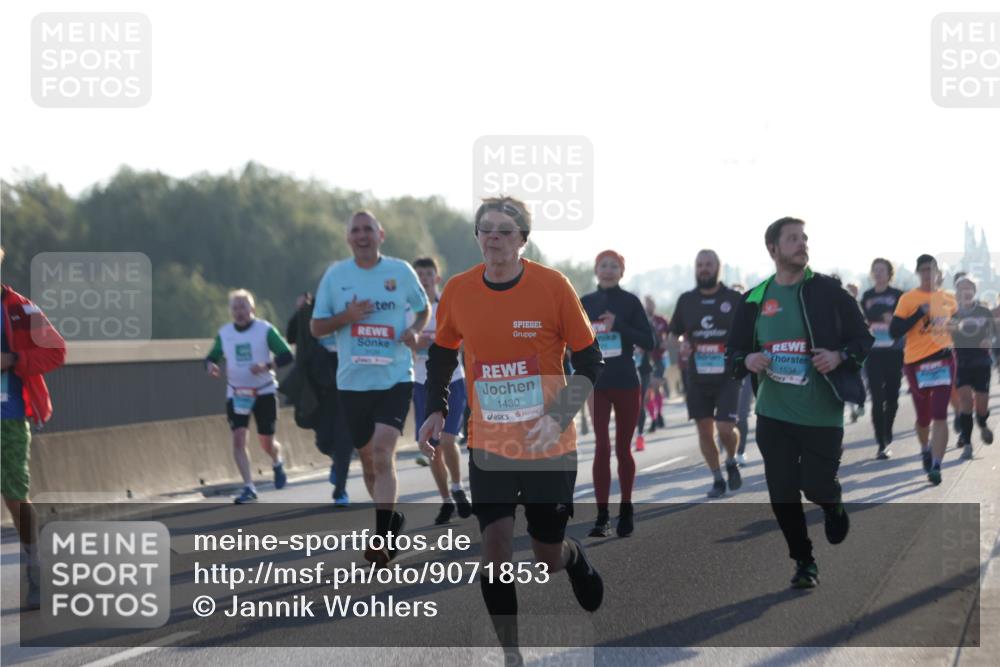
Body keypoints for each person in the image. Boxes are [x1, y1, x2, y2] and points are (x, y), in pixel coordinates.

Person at [418, 196, 605, 663]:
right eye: (486, 229)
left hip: (548, 444)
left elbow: (589, 359)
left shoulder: (553, 286)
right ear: (477, 236)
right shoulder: (459, 290)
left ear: (523, 239)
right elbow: (442, 352)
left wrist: (560, 413)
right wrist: (437, 408)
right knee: (495, 549)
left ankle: (573, 556)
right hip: (490, 443)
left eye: (505, 230)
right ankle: (512, 654)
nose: (494, 237)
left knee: (546, 556)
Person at [727, 217, 872, 589]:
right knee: (782, 491)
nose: (802, 244)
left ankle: (832, 502)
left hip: (822, 413)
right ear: (773, 249)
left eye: (804, 238)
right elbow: (734, 352)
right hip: (774, 413)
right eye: (792, 239)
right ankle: (804, 561)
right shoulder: (755, 299)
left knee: (816, 486)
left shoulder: (829, 291)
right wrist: (747, 360)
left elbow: (863, 338)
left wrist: (840, 356)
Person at [311, 210, 430, 567]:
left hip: (395, 376)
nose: (362, 235)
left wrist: (414, 331)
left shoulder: (400, 272)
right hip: (352, 382)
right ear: (348, 238)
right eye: (355, 231)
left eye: (368, 230)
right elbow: (316, 328)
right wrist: (345, 318)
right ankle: (391, 520)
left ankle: (381, 538)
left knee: (382, 451)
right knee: (367, 460)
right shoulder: (336, 276)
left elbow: (422, 310)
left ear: (381, 234)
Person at [2, 247, 67, 609]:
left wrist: (13, 359)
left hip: (8, 417)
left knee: (14, 494)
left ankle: (35, 566)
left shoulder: (20, 308)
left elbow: (56, 351)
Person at [580, 250, 654, 537]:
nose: (608, 270)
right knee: (602, 446)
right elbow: (574, 341)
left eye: (614, 266)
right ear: (596, 270)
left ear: (622, 272)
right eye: (603, 265)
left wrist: (619, 325)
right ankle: (601, 516)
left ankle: (626, 507)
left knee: (623, 449)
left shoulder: (630, 302)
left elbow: (650, 340)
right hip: (597, 384)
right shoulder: (585, 303)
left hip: (625, 381)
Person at [205, 289, 294, 504]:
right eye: (235, 308)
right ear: (230, 312)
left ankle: (276, 460)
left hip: (263, 390)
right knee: (238, 438)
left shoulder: (265, 330)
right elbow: (211, 357)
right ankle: (248, 486)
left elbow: (287, 355)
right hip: (237, 392)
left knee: (266, 441)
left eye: (243, 307)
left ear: (252, 309)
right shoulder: (225, 333)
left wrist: (267, 365)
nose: (239, 312)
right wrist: (211, 366)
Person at [669, 250, 745, 498]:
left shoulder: (734, 298)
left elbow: (748, 331)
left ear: (718, 267)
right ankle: (717, 478)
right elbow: (674, 333)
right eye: (700, 264)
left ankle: (731, 459)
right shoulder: (686, 300)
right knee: (704, 430)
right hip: (697, 375)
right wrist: (681, 343)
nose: (704, 269)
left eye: (708, 264)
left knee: (725, 428)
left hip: (727, 375)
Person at [409, 257, 472, 524]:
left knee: (447, 439)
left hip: (452, 379)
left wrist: (438, 341)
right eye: (418, 273)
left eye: (428, 273)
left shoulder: (448, 303)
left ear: (436, 277)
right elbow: (400, 342)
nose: (423, 278)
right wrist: (414, 342)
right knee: (430, 445)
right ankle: (446, 499)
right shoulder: (408, 309)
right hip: (421, 382)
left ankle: (458, 488)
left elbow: (465, 336)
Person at [889, 254, 957, 485]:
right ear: (918, 273)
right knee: (924, 418)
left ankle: (937, 464)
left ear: (939, 273)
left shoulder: (949, 298)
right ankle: (925, 448)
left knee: (940, 414)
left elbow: (958, 326)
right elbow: (894, 332)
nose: (928, 274)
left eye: (932, 270)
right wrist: (919, 313)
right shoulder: (908, 299)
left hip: (944, 360)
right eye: (924, 270)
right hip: (916, 363)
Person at [283, 291, 354, 506]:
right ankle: (334, 458)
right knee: (323, 439)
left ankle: (340, 488)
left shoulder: (355, 307)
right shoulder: (311, 310)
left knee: (345, 436)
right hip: (320, 381)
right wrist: (299, 312)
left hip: (349, 376)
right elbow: (291, 336)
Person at [861, 258, 905, 460]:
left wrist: (893, 320)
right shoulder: (867, 296)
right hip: (874, 352)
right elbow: (863, 319)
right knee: (877, 398)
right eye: (875, 270)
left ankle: (888, 430)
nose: (878, 273)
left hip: (894, 351)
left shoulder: (898, 295)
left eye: (882, 270)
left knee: (892, 398)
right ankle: (881, 442)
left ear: (889, 273)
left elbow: (904, 322)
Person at [950, 276, 996, 458]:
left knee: (982, 405)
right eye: (961, 288)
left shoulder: (984, 312)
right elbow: (947, 335)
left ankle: (983, 423)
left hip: (982, 362)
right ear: (957, 292)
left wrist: (989, 340)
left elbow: (994, 333)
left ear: (974, 291)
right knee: (966, 402)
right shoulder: (952, 313)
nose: (965, 291)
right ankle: (968, 443)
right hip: (962, 362)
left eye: (968, 288)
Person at [730, 283, 754, 465]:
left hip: (745, 372)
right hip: (724, 373)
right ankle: (729, 444)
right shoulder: (721, 318)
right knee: (725, 415)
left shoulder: (750, 317)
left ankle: (740, 451)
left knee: (742, 413)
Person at [644, 296, 670, 431]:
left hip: (659, 358)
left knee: (656, 386)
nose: (649, 306)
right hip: (645, 359)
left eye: (651, 303)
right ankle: (654, 417)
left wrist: (667, 342)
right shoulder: (640, 320)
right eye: (647, 303)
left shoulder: (661, 320)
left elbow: (673, 333)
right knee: (648, 390)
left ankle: (659, 414)